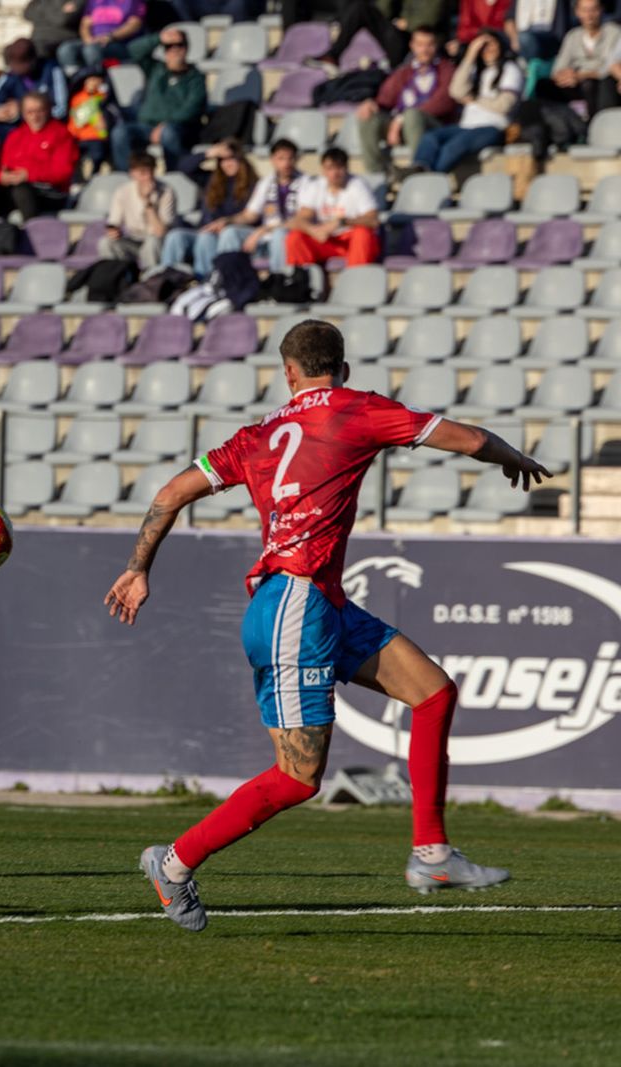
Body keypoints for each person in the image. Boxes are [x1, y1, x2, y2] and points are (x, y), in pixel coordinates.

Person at [106, 319, 543, 932]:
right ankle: (173, 863)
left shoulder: (256, 435)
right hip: (294, 606)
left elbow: (173, 491)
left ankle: (432, 855)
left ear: (288, 373)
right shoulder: (356, 409)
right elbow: (470, 440)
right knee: (298, 777)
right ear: (344, 365)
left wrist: (137, 568)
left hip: (319, 603)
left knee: (433, 692)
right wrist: (513, 456)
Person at [412, 32, 523, 176]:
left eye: (491, 45)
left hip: (494, 128)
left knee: (455, 146)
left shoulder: (510, 69)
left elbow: (504, 105)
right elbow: (456, 91)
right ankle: (420, 168)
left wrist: (475, 99)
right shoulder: (478, 71)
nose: (487, 49)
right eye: (483, 46)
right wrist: (470, 55)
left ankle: (428, 178)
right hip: (466, 127)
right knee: (430, 137)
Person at [355, 26, 458, 178]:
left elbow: (444, 103)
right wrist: (371, 103)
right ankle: (377, 175)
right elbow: (385, 98)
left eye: (429, 44)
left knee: (412, 115)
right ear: (412, 46)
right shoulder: (405, 71)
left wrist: (401, 119)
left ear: (436, 46)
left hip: (434, 126)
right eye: (420, 44)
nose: (424, 50)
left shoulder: (446, 69)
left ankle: (420, 171)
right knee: (368, 118)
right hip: (404, 124)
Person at [110, 26, 206, 173]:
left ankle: (174, 174)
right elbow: (134, 50)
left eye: (179, 45)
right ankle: (127, 177)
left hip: (178, 128)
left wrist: (165, 124)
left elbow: (192, 108)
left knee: (168, 133)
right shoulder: (156, 69)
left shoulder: (195, 77)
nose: (174, 50)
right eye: (169, 46)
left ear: (186, 49)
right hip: (146, 126)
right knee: (120, 133)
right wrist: (159, 38)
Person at [0, 91, 78, 220]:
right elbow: (1, 166)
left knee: (21, 190)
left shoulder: (61, 134)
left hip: (50, 192)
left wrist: (29, 174)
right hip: (17, 188)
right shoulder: (16, 136)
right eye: (30, 112)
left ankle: (34, 235)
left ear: (48, 111)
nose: (35, 117)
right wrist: (1, 176)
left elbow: (63, 171)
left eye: (39, 111)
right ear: (23, 113)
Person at [161, 140, 257, 277]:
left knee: (206, 238)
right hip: (203, 231)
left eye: (231, 159)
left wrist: (226, 222)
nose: (227, 164)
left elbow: (251, 216)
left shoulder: (253, 185)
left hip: (229, 235)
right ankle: (165, 281)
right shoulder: (211, 180)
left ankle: (205, 282)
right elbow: (183, 167)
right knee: (175, 236)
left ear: (241, 160)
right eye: (222, 160)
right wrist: (210, 153)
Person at [216, 138, 303, 275]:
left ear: (296, 159)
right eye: (281, 159)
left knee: (280, 235)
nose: (286, 163)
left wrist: (263, 230)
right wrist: (228, 220)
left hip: (290, 237)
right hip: (264, 238)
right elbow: (250, 214)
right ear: (272, 160)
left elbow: (302, 220)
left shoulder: (307, 183)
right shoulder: (265, 183)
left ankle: (280, 281)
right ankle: (225, 280)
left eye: (290, 158)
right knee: (230, 232)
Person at [285, 148, 380, 269]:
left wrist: (342, 222)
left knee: (362, 233)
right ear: (323, 170)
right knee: (295, 237)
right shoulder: (316, 186)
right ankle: (302, 279)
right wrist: (313, 230)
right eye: (330, 168)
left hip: (350, 242)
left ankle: (355, 278)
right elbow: (299, 219)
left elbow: (373, 220)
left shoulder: (358, 185)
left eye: (339, 168)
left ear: (346, 168)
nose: (334, 173)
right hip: (325, 240)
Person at [0, 38, 68, 144]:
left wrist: (24, 112)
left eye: (23, 65)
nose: (19, 71)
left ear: (33, 60)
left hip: (47, 131)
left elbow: (61, 111)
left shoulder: (51, 70)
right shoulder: (11, 75)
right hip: (17, 132)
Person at [535, 0, 620, 114]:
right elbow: (558, 67)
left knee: (591, 84)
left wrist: (581, 75)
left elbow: (608, 66)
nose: (589, 15)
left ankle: (596, 122)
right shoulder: (572, 36)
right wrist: (565, 76)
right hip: (575, 83)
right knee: (543, 85)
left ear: (601, 10)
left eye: (593, 10)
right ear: (577, 12)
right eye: (584, 10)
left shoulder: (613, 32)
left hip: (600, 83)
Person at [97, 151, 175, 268]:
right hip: (133, 240)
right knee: (106, 243)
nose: (148, 177)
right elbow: (114, 223)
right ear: (132, 174)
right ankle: (117, 278)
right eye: (143, 173)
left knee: (152, 242)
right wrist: (113, 231)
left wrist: (148, 203)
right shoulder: (122, 191)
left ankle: (151, 280)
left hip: (158, 242)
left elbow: (160, 232)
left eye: (151, 172)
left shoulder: (166, 192)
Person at [56, 0, 145, 74]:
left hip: (119, 43)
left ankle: (97, 81)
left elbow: (134, 25)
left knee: (91, 50)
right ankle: (77, 80)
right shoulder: (95, 2)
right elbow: (85, 25)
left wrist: (110, 37)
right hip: (94, 40)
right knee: (66, 49)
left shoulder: (132, 2)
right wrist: (88, 40)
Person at [66, 69, 113, 174]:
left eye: (97, 80)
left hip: (96, 137)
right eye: (91, 80)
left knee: (98, 153)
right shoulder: (77, 99)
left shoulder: (103, 97)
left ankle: (93, 174)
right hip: (79, 137)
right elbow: (74, 120)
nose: (93, 83)